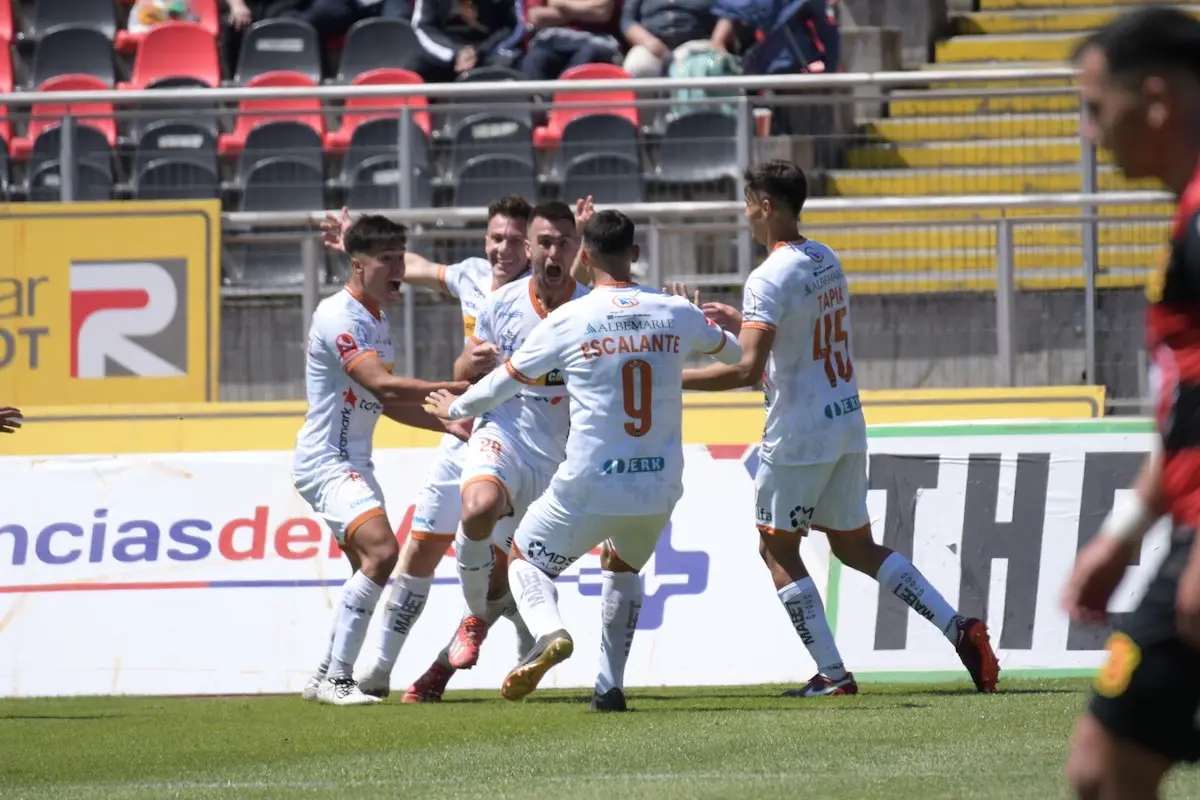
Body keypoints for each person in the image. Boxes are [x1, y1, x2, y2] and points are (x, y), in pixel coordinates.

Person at [678, 160, 999, 697]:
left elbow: (748, 370)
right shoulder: (825, 257)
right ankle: (959, 629)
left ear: (766, 205)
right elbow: (799, 334)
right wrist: (746, 322)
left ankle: (832, 673)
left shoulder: (766, 276)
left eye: (749, 202)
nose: (746, 213)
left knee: (776, 550)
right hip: (845, 421)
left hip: (798, 435)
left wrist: (673, 380)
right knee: (856, 549)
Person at [425, 210, 743, 709]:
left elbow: (503, 381)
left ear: (584, 256)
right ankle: (609, 686)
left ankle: (550, 632)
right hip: (659, 486)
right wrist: (717, 321)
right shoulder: (673, 311)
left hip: (591, 481)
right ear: (635, 255)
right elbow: (737, 356)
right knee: (622, 568)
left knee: (523, 563)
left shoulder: (569, 318)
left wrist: (455, 406)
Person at [1061, 8, 1200, 797]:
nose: (1089, 134)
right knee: (1102, 771)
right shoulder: (1188, 217)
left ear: (1154, 100)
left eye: (1094, 108)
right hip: (1183, 528)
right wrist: (1120, 537)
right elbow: (1190, 409)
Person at [318, 197, 534, 702]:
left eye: (514, 240)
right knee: (419, 550)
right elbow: (410, 266)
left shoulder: (541, 291)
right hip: (461, 431)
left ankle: (524, 635)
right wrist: (356, 242)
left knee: (496, 560)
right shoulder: (473, 276)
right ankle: (378, 669)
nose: (503, 249)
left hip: (515, 440)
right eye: (495, 237)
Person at [292, 215, 470, 706]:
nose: (398, 268)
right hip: (327, 460)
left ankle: (325, 673)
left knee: (364, 568)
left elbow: (387, 404)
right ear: (358, 265)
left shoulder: (376, 319)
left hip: (353, 460)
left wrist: (446, 423)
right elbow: (382, 384)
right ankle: (339, 681)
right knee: (383, 554)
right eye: (387, 259)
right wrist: (455, 390)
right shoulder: (341, 317)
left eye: (400, 256)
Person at [439, 200, 591, 674]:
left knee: (520, 564)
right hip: (504, 430)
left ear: (576, 249)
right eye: (544, 242)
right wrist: (468, 367)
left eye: (563, 243)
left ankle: (513, 629)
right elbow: (463, 369)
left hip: (560, 453)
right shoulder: (500, 305)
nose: (553, 252)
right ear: (530, 248)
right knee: (478, 508)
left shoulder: (591, 307)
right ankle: (474, 617)